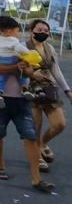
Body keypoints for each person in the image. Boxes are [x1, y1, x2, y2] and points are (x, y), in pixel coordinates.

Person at [0, 16, 50, 192]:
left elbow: (29, 71)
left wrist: (26, 67)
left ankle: (36, 179)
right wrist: (16, 67)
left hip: (21, 98)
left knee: (30, 135)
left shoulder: (17, 45)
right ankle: (0, 165)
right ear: (2, 31)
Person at [26, 19, 72, 173]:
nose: (43, 33)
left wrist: (67, 90)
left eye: (46, 31)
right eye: (39, 30)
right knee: (36, 125)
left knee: (60, 124)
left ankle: (43, 144)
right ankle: (37, 156)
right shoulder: (23, 47)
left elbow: (56, 70)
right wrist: (31, 74)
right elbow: (16, 70)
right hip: (30, 90)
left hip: (48, 89)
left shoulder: (49, 48)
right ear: (31, 31)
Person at [0, 25, 39, 105]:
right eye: (17, 31)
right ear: (10, 32)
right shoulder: (13, 40)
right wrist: (28, 53)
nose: (18, 33)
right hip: (11, 60)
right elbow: (20, 49)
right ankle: (25, 89)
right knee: (21, 76)